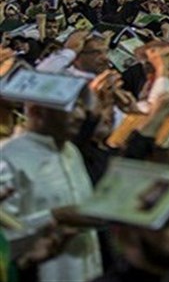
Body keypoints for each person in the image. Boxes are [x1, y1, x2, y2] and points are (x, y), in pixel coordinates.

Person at [0, 91, 103, 281]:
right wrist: (54, 217)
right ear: (37, 111)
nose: (80, 116)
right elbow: (4, 237)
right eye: (70, 107)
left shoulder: (71, 151)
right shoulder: (8, 158)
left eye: (81, 106)